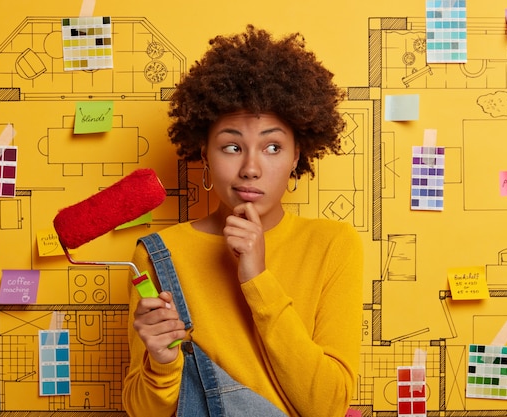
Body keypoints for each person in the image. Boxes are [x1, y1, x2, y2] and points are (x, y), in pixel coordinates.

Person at [122, 25, 363, 417]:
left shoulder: (334, 245)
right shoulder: (159, 255)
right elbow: (141, 410)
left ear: (297, 154)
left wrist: (257, 279)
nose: (250, 168)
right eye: (232, 146)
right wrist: (162, 363)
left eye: (272, 147)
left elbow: (328, 406)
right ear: (204, 150)